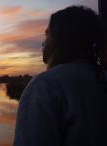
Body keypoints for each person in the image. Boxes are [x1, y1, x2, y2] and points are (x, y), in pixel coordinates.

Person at [14, 6, 107, 146]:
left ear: (60, 39)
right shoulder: (101, 78)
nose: (43, 43)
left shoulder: (45, 85)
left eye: (47, 35)